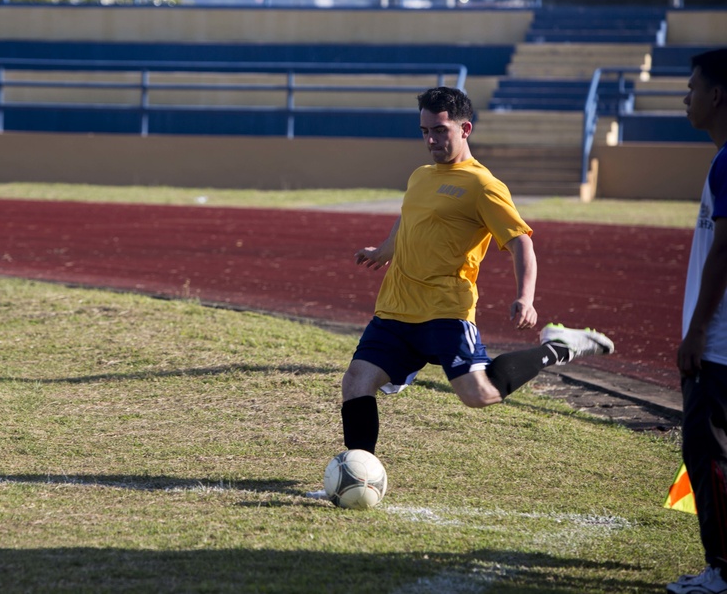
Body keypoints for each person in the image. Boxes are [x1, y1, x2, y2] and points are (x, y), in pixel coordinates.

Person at [310, 86, 614, 495]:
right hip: (396, 307)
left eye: (439, 131)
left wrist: (526, 297)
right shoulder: (420, 176)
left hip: (445, 311)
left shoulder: (483, 185)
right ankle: (359, 480)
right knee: (355, 383)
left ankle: (557, 347)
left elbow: (521, 241)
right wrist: (384, 250)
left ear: (465, 128)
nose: (431, 140)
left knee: (479, 395)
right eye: (424, 132)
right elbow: (408, 219)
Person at [668, 47, 727, 594]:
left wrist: (697, 332)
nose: (685, 97)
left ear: (717, 95)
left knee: (709, 455)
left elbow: (725, 250)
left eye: (692, 87)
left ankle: (722, 572)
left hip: (719, 349)